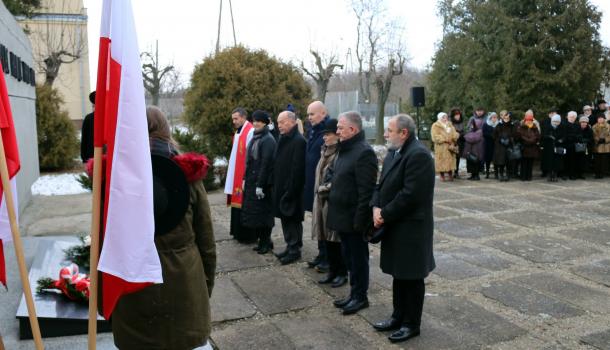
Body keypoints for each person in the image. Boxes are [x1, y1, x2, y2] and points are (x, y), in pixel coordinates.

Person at [112, 106, 216, 350]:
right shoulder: (189, 177)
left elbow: (104, 244)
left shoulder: (115, 180)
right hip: (185, 286)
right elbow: (206, 242)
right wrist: (203, 288)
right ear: (166, 130)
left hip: (133, 288)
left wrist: (105, 300)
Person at [371, 114, 435, 344]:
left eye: (390, 130)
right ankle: (397, 316)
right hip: (394, 224)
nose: (386, 134)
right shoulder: (393, 152)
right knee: (399, 275)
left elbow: (410, 196)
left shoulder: (418, 155)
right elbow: (381, 184)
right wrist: (376, 208)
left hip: (411, 229)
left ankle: (411, 324)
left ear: (404, 133)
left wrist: (384, 214)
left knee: (412, 277)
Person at [328, 111, 377, 316]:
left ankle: (360, 297)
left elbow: (366, 192)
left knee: (358, 259)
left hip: (354, 219)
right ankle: (353, 293)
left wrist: (360, 221)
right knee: (349, 258)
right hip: (342, 216)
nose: (337, 130)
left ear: (353, 129)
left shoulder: (364, 152)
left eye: (340, 127)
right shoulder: (344, 149)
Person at [311, 118, 347, 288]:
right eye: (324, 134)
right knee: (327, 241)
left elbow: (337, 180)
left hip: (332, 203)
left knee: (336, 241)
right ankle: (332, 271)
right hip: (321, 203)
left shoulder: (339, 153)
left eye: (328, 134)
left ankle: (341, 273)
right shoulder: (324, 151)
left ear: (337, 136)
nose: (324, 137)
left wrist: (322, 189)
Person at [273, 111, 307, 265]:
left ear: (292, 122)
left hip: (291, 189)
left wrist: (290, 191)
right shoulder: (284, 138)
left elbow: (297, 169)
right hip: (282, 187)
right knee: (285, 218)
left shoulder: (298, 141)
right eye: (278, 122)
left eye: (282, 122)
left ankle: (295, 250)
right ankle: (290, 245)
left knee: (292, 219)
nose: (279, 125)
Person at [241, 110, 277, 255]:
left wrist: (260, 185)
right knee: (256, 215)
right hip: (252, 181)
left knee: (264, 215)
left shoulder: (268, 139)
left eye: (259, 121)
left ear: (265, 123)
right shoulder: (255, 137)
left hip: (263, 183)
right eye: (254, 120)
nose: (255, 123)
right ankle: (263, 241)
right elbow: (249, 161)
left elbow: (266, 164)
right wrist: (244, 178)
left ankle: (266, 242)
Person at [304, 101, 331, 272]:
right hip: (313, 184)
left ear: (322, 113)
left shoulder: (327, 131)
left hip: (323, 186)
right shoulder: (314, 132)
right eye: (308, 115)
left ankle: (327, 257)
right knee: (317, 223)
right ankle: (322, 254)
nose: (309, 118)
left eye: (312, 114)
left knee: (325, 223)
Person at [224, 108, 255, 243]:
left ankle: (245, 235)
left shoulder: (250, 131)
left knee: (244, 204)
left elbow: (249, 156)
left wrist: (244, 176)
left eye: (236, 118)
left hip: (243, 175)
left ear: (243, 117)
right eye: (233, 119)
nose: (234, 121)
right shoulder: (239, 131)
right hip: (235, 171)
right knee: (236, 205)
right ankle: (237, 232)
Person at [430, 112, 459, 181]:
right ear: (439, 118)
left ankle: (450, 173)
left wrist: (455, 136)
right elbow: (434, 136)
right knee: (441, 160)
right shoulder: (435, 125)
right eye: (443, 117)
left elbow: (454, 132)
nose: (445, 119)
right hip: (441, 147)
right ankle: (442, 175)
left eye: (446, 117)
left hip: (450, 146)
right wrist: (444, 139)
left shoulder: (450, 124)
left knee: (450, 160)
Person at [493, 111, 517, 182]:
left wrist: (509, 140)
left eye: (507, 117)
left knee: (508, 162)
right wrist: (500, 140)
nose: (506, 119)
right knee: (501, 162)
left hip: (509, 146)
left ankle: (507, 175)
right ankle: (501, 174)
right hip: (500, 146)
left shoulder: (512, 125)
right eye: (505, 117)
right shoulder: (499, 125)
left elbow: (514, 135)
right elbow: (494, 135)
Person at [542, 114, 566, 182]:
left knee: (557, 162)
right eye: (554, 121)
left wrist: (561, 140)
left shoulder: (562, 127)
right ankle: (549, 175)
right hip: (549, 147)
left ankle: (555, 175)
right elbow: (543, 136)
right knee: (549, 162)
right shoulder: (547, 127)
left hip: (558, 146)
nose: (556, 123)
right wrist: (549, 136)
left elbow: (564, 136)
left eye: (557, 122)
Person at [463, 107, 485, 180]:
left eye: (481, 110)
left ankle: (477, 175)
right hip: (470, 142)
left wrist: (478, 133)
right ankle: (472, 174)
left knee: (477, 158)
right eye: (478, 111)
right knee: (470, 158)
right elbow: (468, 128)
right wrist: (470, 132)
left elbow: (484, 130)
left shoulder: (484, 119)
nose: (479, 112)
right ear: (475, 111)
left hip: (479, 142)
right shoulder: (471, 118)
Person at [518, 111, 540, 181]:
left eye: (530, 120)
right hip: (524, 148)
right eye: (527, 120)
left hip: (532, 148)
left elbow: (537, 136)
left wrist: (531, 140)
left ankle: (529, 177)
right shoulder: (521, 127)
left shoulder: (535, 127)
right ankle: (523, 177)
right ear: (525, 120)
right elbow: (520, 136)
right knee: (524, 164)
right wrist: (527, 140)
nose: (529, 122)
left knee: (530, 164)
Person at [80, 91, 96, 163]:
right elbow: (84, 139)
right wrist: (85, 158)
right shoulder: (89, 118)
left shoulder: (111, 117)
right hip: (92, 157)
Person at [564, 111, 580, 180]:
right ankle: (564, 174)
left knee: (574, 161)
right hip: (566, 145)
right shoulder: (564, 124)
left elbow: (579, 134)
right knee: (565, 160)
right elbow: (564, 134)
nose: (572, 118)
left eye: (573, 117)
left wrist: (574, 137)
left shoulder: (577, 125)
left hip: (574, 145)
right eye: (570, 117)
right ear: (568, 117)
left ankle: (572, 174)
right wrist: (572, 136)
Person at [449, 108, 465, 178]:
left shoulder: (461, 123)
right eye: (456, 115)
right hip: (452, 142)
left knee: (458, 157)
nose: (457, 116)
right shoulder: (450, 123)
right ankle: (450, 171)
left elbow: (463, 131)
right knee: (451, 157)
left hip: (460, 141)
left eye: (458, 115)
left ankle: (456, 172)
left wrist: (462, 135)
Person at [483, 112, 498, 179]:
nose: (494, 119)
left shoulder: (498, 124)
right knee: (488, 159)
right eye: (493, 117)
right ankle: (487, 173)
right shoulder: (486, 124)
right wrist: (491, 136)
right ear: (490, 118)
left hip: (496, 144)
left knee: (495, 159)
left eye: (495, 117)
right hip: (488, 144)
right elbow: (484, 133)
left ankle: (496, 173)